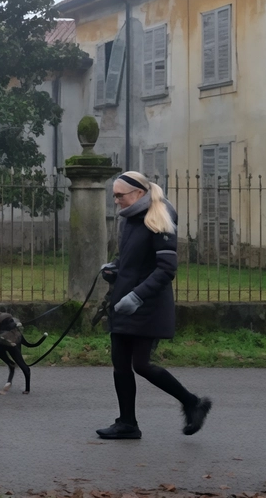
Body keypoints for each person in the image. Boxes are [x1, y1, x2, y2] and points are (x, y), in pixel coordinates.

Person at [96, 171, 211, 440]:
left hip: (146, 304)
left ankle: (194, 403)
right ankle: (127, 423)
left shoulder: (159, 217)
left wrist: (136, 297)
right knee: (120, 364)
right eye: (114, 195)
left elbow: (166, 269)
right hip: (123, 301)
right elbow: (129, 259)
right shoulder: (128, 221)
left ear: (138, 193)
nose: (116, 201)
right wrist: (114, 268)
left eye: (119, 195)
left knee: (142, 365)